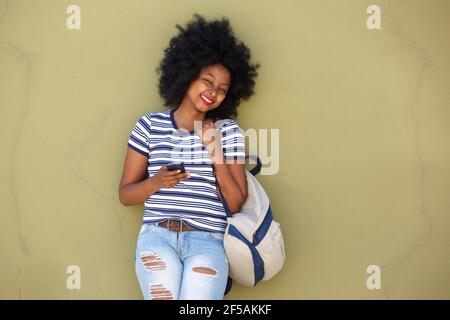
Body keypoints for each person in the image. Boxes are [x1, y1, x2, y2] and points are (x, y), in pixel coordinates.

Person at [119, 13, 259, 300]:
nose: (213, 93)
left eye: (222, 89)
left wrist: (215, 151)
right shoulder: (149, 125)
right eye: (207, 81)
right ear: (187, 74)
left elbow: (235, 203)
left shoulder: (227, 131)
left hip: (208, 243)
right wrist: (155, 182)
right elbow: (125, 194)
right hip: (157, 239)